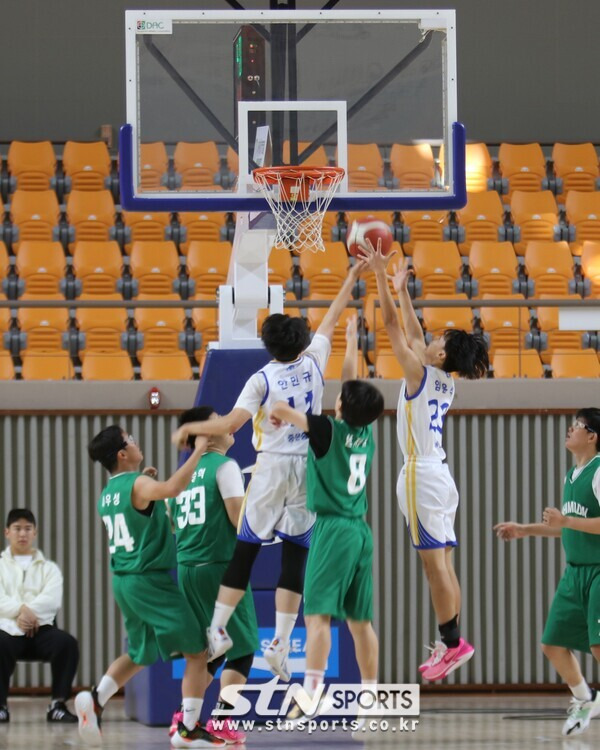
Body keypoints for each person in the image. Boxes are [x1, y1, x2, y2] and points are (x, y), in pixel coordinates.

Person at [172, 261, 366, 682]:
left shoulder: (261, 379)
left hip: (272, 468)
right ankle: (278, 642)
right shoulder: (315, 361)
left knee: (246, 550)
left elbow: (229, 425)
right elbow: (332, 317)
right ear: (301, 340)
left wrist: (191, 426)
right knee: (295, 555)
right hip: (308, 469)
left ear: (267, 345)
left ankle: (219, 628)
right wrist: (350, 277)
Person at [359, 241, 488, 681]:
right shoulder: (442, 381)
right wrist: (403, 288)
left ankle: (452, 644)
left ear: (439, 356)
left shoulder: (419, 373)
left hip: (419, 474)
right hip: (440, 475)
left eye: (438, 340)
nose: (430, 338)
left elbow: (396, 328)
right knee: (444, 564)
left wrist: (380, 278)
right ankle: (453, 641)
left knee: (434, 565)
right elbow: (413, 331)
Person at [269, 316, 384, 730]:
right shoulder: (364, 432)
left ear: (339, 408)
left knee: (317, 619)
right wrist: (352, 342)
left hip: (332, 531)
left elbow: (281, 408)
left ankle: (310, 694)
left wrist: (280, 413)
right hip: (360, 531)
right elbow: (350, 387)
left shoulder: (324, 430)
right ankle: (369, 696)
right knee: (360, 623)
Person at [77, 426, 224, 749]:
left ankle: (96, 700)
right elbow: (172, 488)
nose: (135, 441)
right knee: (199, 652)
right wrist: (198, 450)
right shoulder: (139, 485)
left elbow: (138, 511)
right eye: (130, 439)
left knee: (140, 653)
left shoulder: (108, 494)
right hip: (150, 582)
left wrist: (145, 481)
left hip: (124, 582)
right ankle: (188, 730)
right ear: (122, 454)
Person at [495, 407, 600, 737]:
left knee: (598, 647)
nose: (570, 429)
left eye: (577, 426)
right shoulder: (572, 475)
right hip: (575, 574)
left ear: (593, 436)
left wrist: (566, 521)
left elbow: (575, 523)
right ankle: (585, 698)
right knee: (552, 643)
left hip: (598, 572)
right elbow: (569, 529)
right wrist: (527, 529)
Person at [167, 406, 258, 745]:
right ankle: (222, 719)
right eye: (218, 419)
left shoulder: (184, 474)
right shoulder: (225, 466)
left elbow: (174, 521)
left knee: (211, 649)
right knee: (243, 648)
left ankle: (184, 718)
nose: (226, 423)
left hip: (188, 569)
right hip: (219, 568)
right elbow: (239, 518)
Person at [0, 508, 80, 724]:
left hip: (41, 629)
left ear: (35, 533)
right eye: (17, 529)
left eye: (28, 529)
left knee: (67, 643)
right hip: (6, 631)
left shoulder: (49, 568)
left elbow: (51, 600)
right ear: (7, 532)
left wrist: (27, 613)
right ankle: (0, 706)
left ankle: (58, 705)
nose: (22, 534)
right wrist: (20, 611)